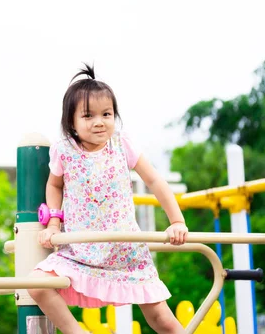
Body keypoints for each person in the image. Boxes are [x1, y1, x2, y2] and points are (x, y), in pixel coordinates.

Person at [27, 63, 189, 334]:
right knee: (37, 283)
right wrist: (53, 223)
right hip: (81, 250)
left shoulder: (121, 144)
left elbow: (154, 181)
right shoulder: (64, 150)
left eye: (107, 114)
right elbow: (54, 185)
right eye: (88, 116)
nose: (100, 122)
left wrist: (177, 221)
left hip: (125, 250)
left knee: (163, 320)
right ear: (72, 122)